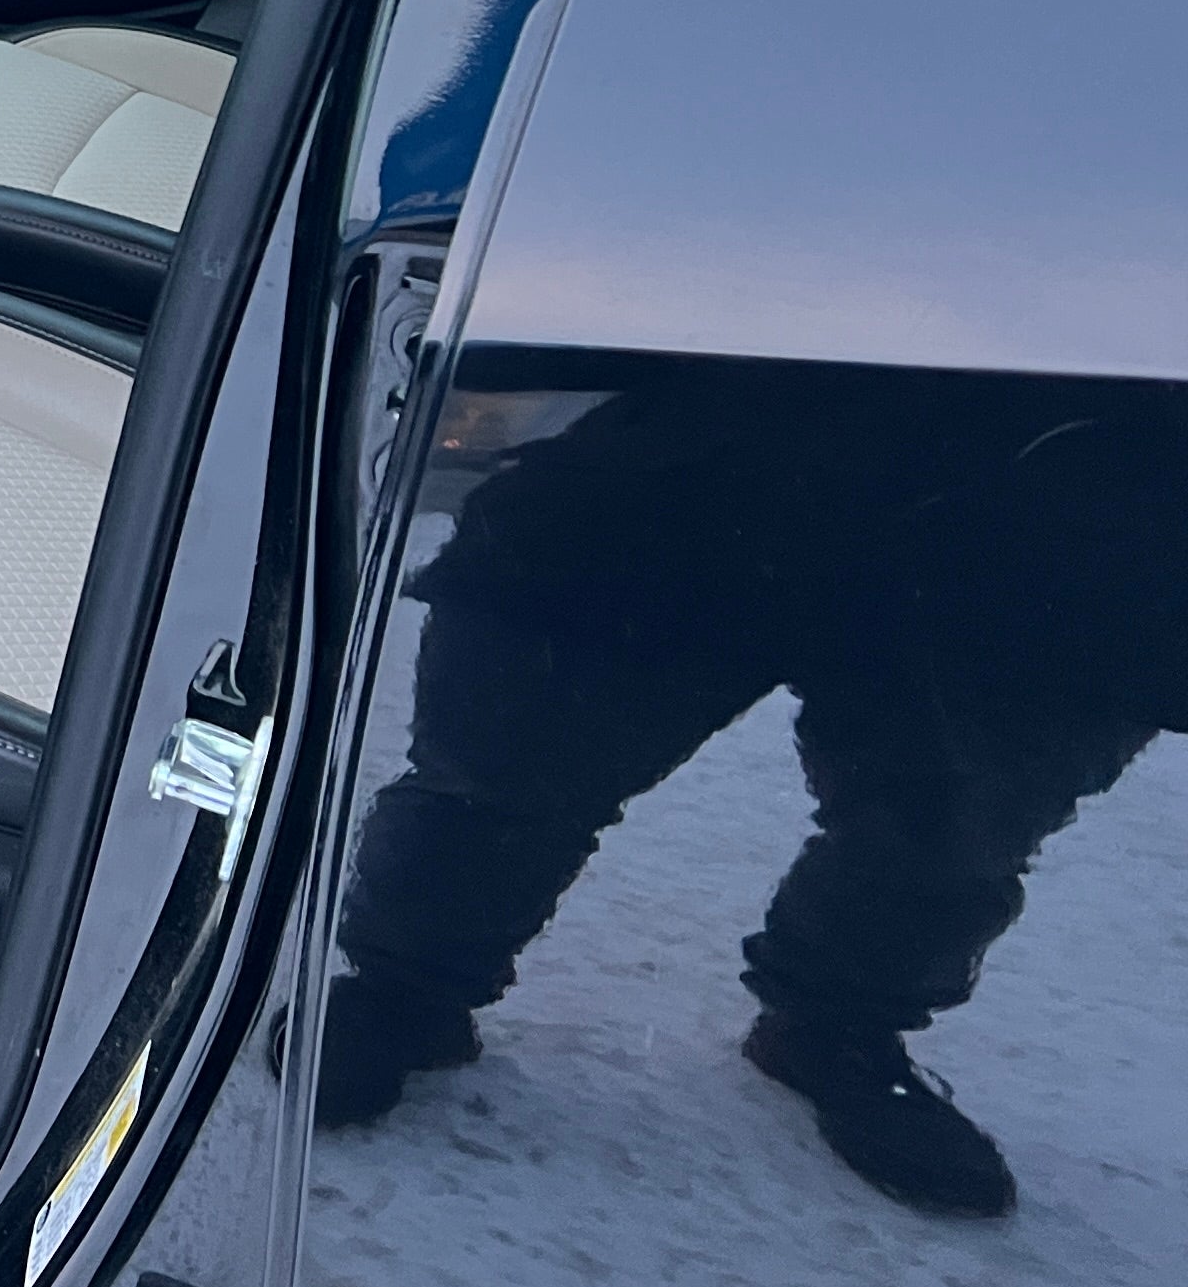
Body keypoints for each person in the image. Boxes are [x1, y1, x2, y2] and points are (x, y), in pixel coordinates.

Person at [316, 366, 1176, 1218]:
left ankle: (835, 1029)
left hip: (1067, 500)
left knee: (958, 818)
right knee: (519, 738)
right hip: (729, 420)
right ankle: (406, 989)